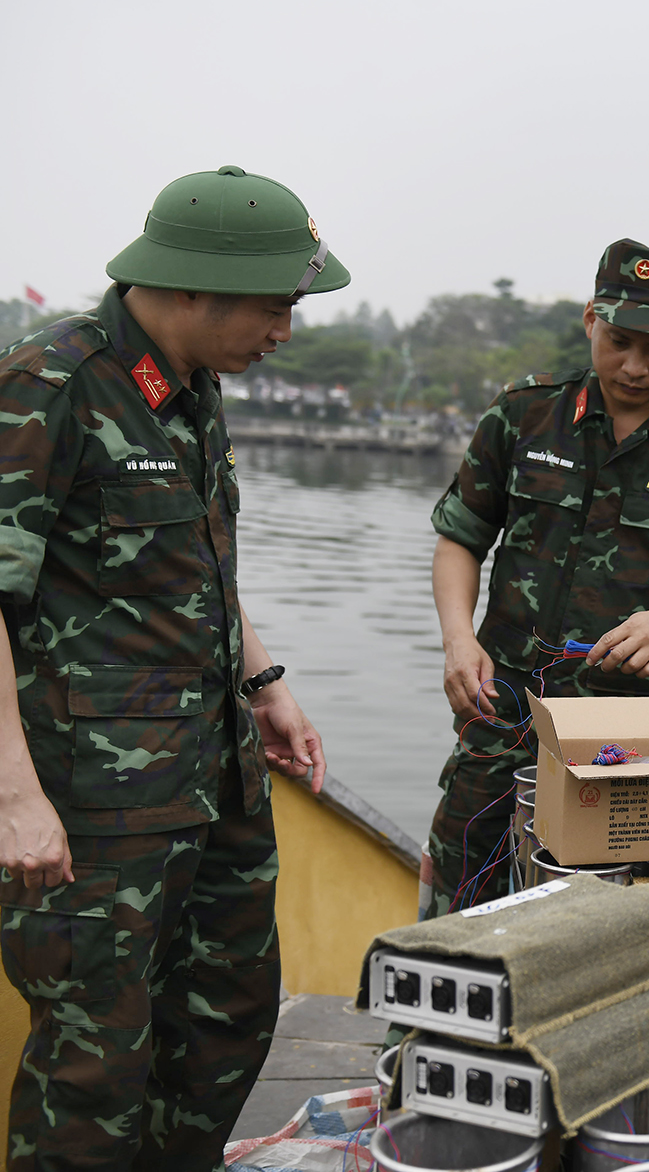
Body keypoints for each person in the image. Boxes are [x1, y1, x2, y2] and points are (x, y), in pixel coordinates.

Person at [0, 166, 337, 1169]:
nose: (284, 330)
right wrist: (16, 797)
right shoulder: (48, 386)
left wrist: (266, 683)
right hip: (93, 801)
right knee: (94, 1067)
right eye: (276, 304)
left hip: (214, 771)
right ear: (193, 284)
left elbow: (191, 566)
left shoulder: (190, 391)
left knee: (226, 1019)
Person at [425, 239, 649, 918]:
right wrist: (456, 639)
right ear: (591, 319)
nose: (635, 367)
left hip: (627, 740)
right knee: (460, 883)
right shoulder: (524, 416)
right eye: (618, 341)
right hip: (502, 710)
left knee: (602, 915)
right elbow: (460, 539)